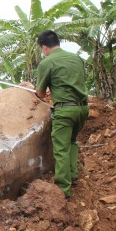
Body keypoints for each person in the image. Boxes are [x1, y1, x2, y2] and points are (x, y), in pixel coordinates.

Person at [35, 30, 89, 199]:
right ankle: (73, 176)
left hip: (65, 111)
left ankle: (62, 190)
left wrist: (44, 92)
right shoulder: (76, 59)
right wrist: (56, 90)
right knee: (72, 141)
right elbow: (72, 83)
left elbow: (40, 93)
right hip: (82, 109)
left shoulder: (47, 63)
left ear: (44, 47)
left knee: (61, 149)